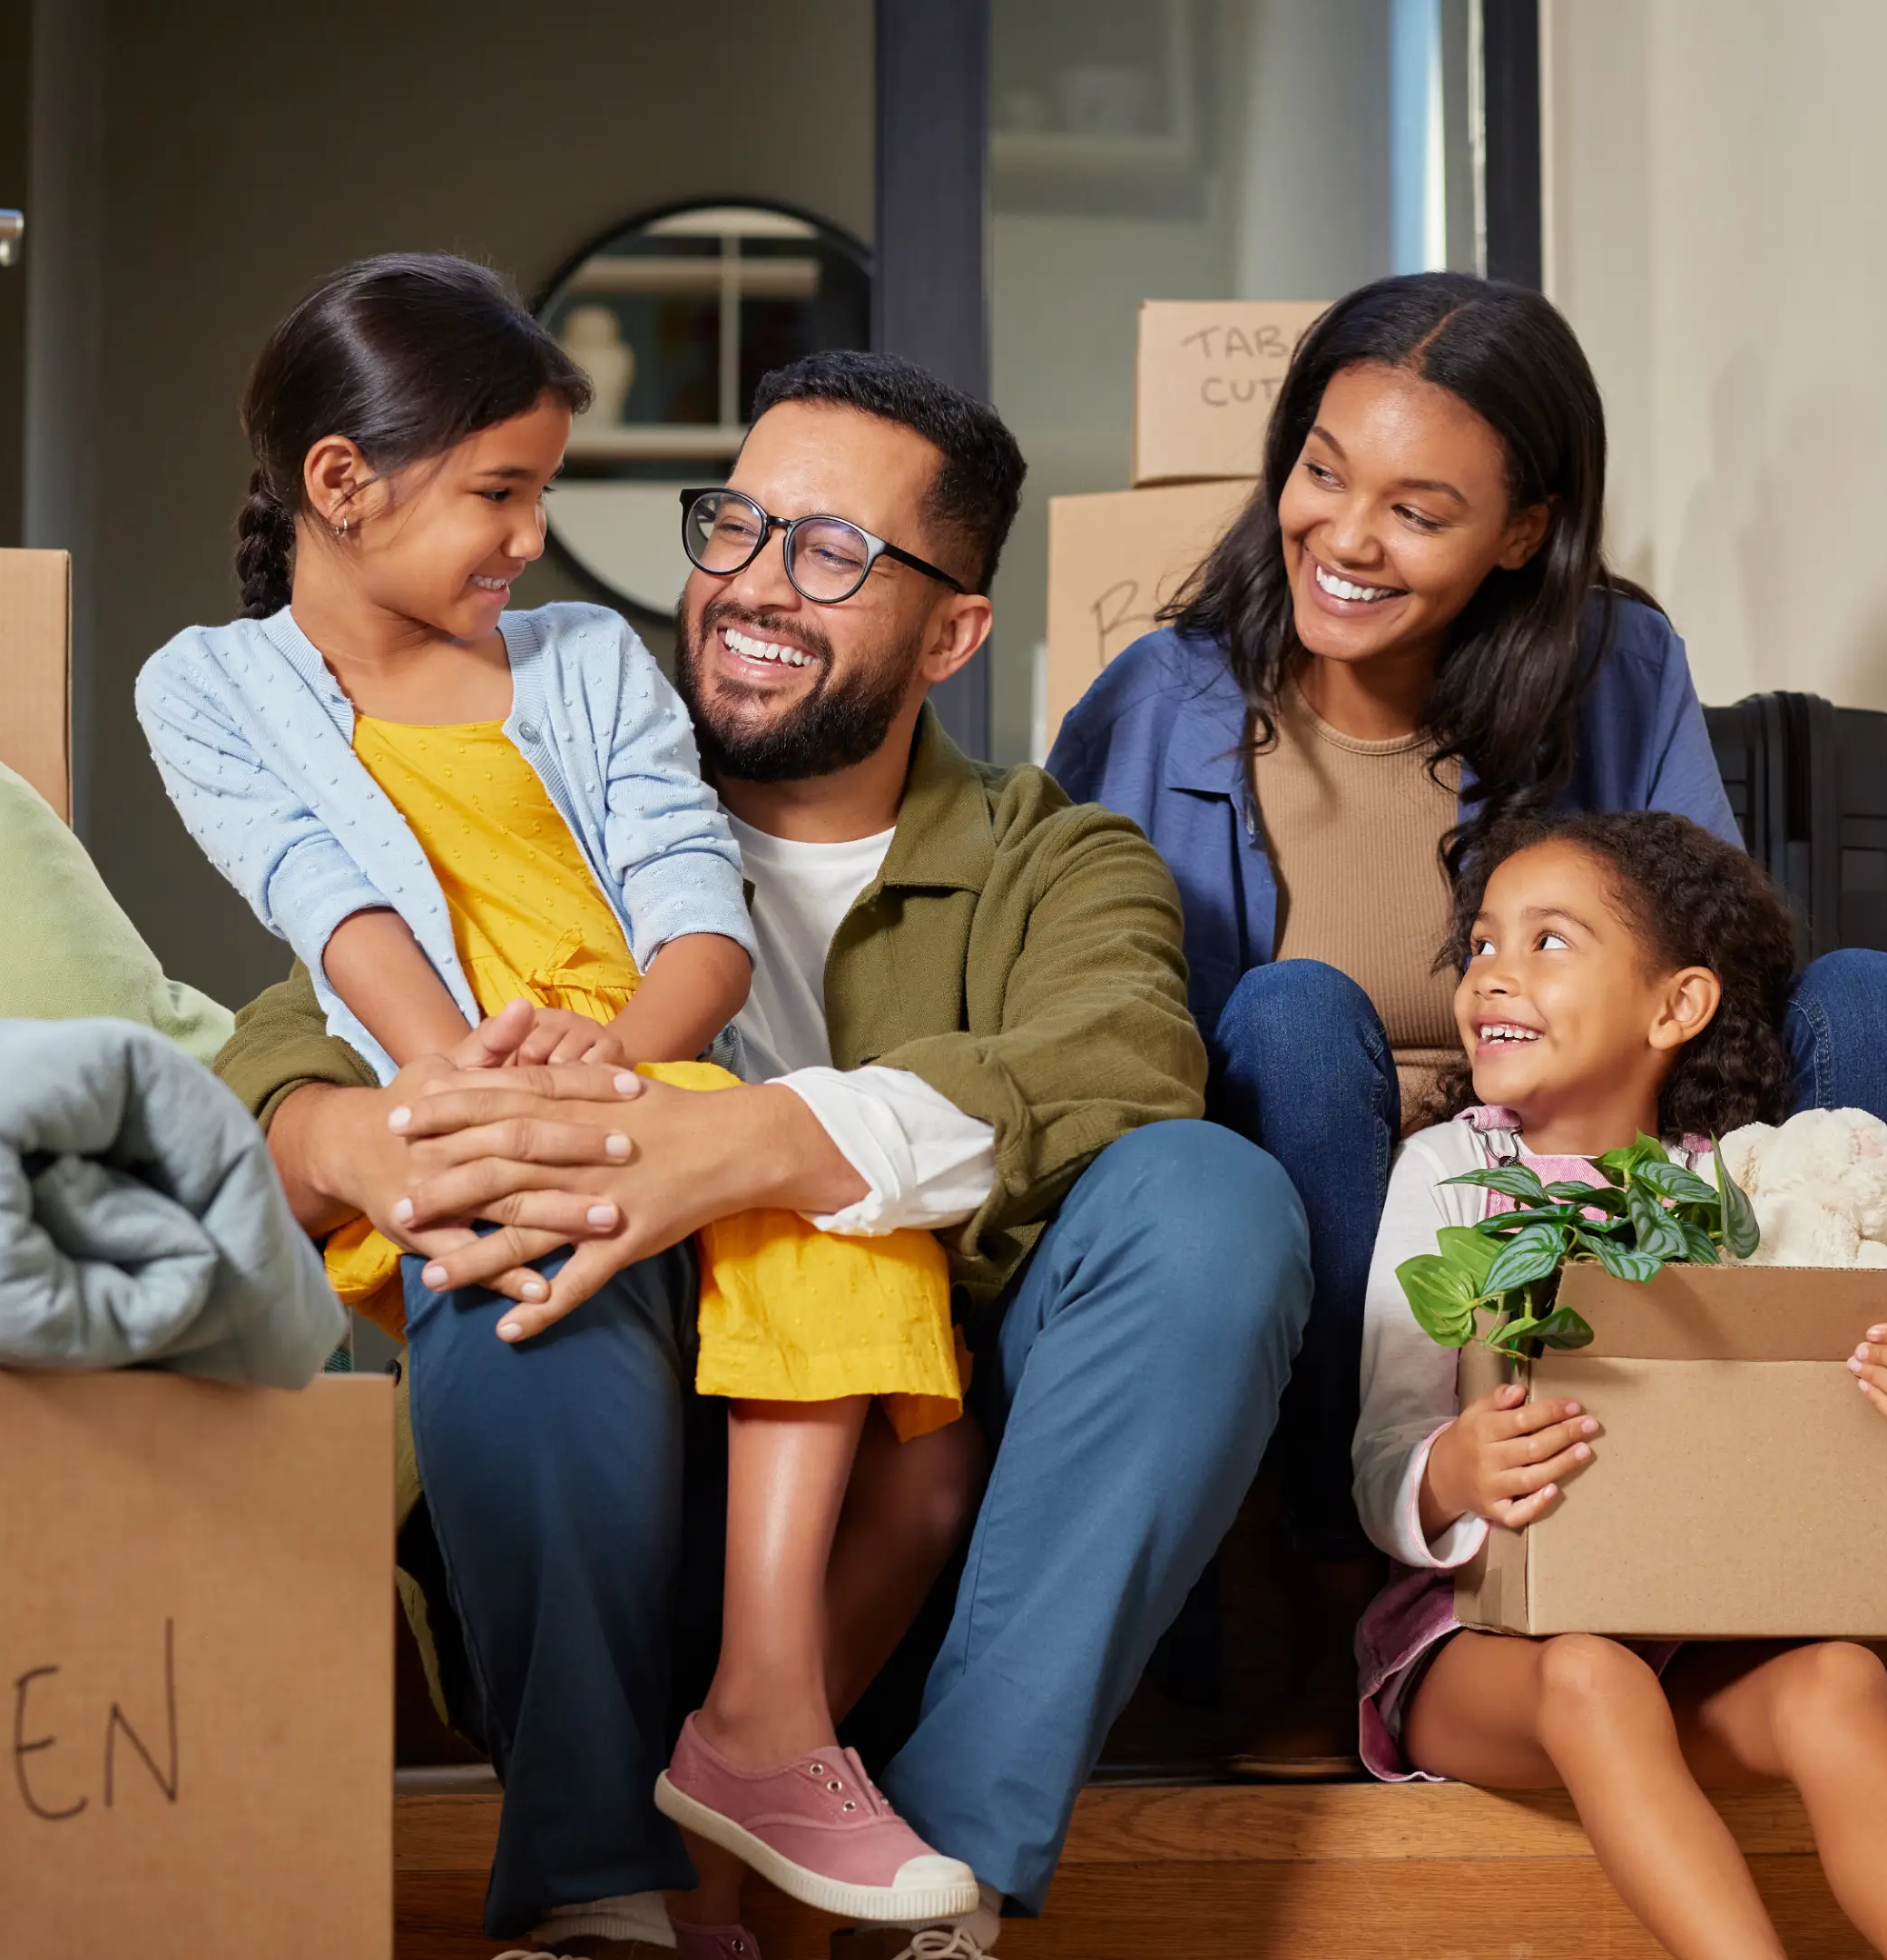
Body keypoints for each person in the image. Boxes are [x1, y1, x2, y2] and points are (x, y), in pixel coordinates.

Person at [211, 346, 1306, 1960]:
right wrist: (363, 1133)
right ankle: (597, 1888)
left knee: (1220, 1198)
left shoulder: (1056, 861)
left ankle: (941, 1869)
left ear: (953, 632)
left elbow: (1122, 1062)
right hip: (593, 1491)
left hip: (945, 1534)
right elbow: (283, 1042)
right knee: (501, 1200)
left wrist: (740, 1147)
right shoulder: (537, 788)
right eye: (734, 525)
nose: (751, 586)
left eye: (833, 552)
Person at [140, 258, 983, 1926]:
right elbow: (328, 899)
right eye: (501, 492)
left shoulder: (591, 656)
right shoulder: (211, 687)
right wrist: (465, 1091)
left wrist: (620, 1064)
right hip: (451, 1098)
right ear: (341, 483)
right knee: (511, 1265)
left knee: (835, 1223)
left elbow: (696, 911)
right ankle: (595, 1880)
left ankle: (763, 1708)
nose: (532, 536)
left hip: (657, 1070)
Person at [1047, 272, 1887, 1761]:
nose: (1344, 536)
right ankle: (1326, 1606)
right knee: (1287, 1020)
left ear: (1524, 531)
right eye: (1321, 474)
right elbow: (1094, 1032)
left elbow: (1710, 967)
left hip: (1586, 1165)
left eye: (1417, 509)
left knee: (1873, 1004)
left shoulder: (1619, 667)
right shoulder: (1160, 698)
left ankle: (1819, 1585)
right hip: (1304, 1188)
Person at [1357, 808, 1887, 1959]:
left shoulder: (1745, 1188)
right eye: (1484, 945)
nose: (1495, 974)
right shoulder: (1450, 1171)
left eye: (1549, 942)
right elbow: (1386, 1449)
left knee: (1846, 1682)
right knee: (1595, 1674)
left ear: (1677, 1006)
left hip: (1692, 1645)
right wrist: (1451, 1471)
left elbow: (1830, 1447)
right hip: (1475, 1652)